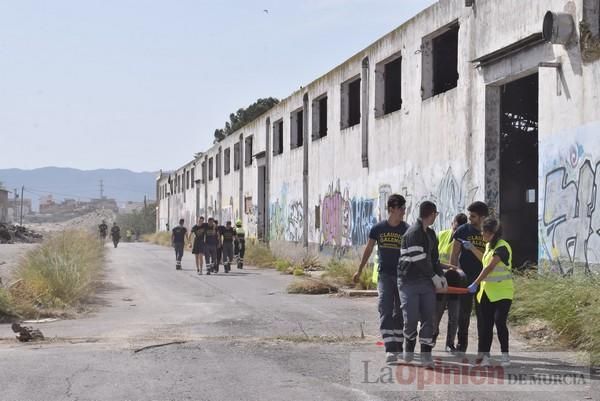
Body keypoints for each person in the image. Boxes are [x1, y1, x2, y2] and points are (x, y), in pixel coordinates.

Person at [353, 194, 409, 364]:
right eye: (401, 209)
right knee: (385, 308)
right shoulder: (378, 229)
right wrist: (359, 270)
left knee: (399, 312)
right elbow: (369, 249)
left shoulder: (407, 229)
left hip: (402, 277)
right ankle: (390, 349)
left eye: (404, 209)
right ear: (391, 209)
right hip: (385, 275)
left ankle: (399, 345)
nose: (403, 212)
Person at [397, 201, 447, 368]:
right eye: (436, 215)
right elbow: (418, 258)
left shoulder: (431, 234)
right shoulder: (413, 232)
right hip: (409, 281)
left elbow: (434, 259)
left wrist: (441, 275)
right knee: (410, 318)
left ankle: (426, 355)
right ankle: (409, 349)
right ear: (432, 214)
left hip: (426, 283)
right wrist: (434, 276)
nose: (435, 218)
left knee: (428, 318)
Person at [463, 217, 513, 367]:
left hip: (503, 292)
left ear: (492, 233)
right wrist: (472, 248)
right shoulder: (489, 247)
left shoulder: (502, 248)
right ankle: (485, 357)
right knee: (486, 325)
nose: (482, 235)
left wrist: (475, 283)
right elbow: (484, 260)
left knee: (499, 322)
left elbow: (490, 267)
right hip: (487, 293)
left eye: (484, 232)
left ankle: (505, 355)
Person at [450, 201, 489, 354]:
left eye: (473, 216)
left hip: (484, 280)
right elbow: (454, 254)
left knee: (483, 317)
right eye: (469, 215)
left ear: (482, 217)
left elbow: (491, 259)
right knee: (463, 315)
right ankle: (462, 346)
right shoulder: (462, 230)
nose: (470, 219)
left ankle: (483, 349)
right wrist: (454, 273)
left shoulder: (490, 232)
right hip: (465, 279)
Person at [433, 213, 468, 353]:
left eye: (459, 228)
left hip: (456, 283)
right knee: (436, 314)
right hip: (440, 281)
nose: (456, 230)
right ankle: (433, 335)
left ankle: (450, 343)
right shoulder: (440, 235)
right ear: (452, 223)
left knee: (454, 316)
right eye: (455, 226)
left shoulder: (464, 241)